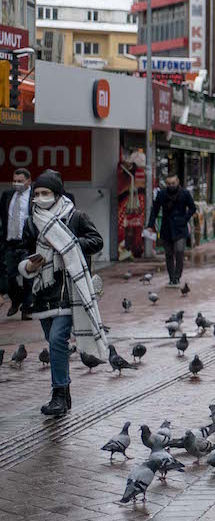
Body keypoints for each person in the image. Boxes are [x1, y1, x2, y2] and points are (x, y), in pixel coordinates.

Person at [20, 170, 105, 417]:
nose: (40, 198)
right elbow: (22, 251)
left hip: (70, 291)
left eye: (45, 193)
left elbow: (96, 241)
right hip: (43, 291)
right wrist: (27, 265)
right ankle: (64, 393)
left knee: (57, 339)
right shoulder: (31, 222)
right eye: (36, 194)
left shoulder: (75, 216)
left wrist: (70, 244)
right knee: (54, 342)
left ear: (57, 195)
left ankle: (58, 394)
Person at [147, 172, 197, 287]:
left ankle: (177, 276)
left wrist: (185, 219)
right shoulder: (161, 194)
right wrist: (150, 225)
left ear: (178, 182)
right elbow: (154, 210)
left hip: (180, 228)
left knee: (179, 251)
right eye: (169, 183)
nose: (171, 185)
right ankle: (171, 278)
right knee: (169, 254)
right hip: (166, 227)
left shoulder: (185, 193)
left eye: (173, 183)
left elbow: (192, 208)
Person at [3, 168, 33, 316]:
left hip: (26, 243)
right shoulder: (7, 195)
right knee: (9, 276)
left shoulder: (34, 196)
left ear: (28, 181)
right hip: (10, 243)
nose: (16, 184)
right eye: (14, 181)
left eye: (20, 181)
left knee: (28, 275)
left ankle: (27, 309)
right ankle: (16, 299)